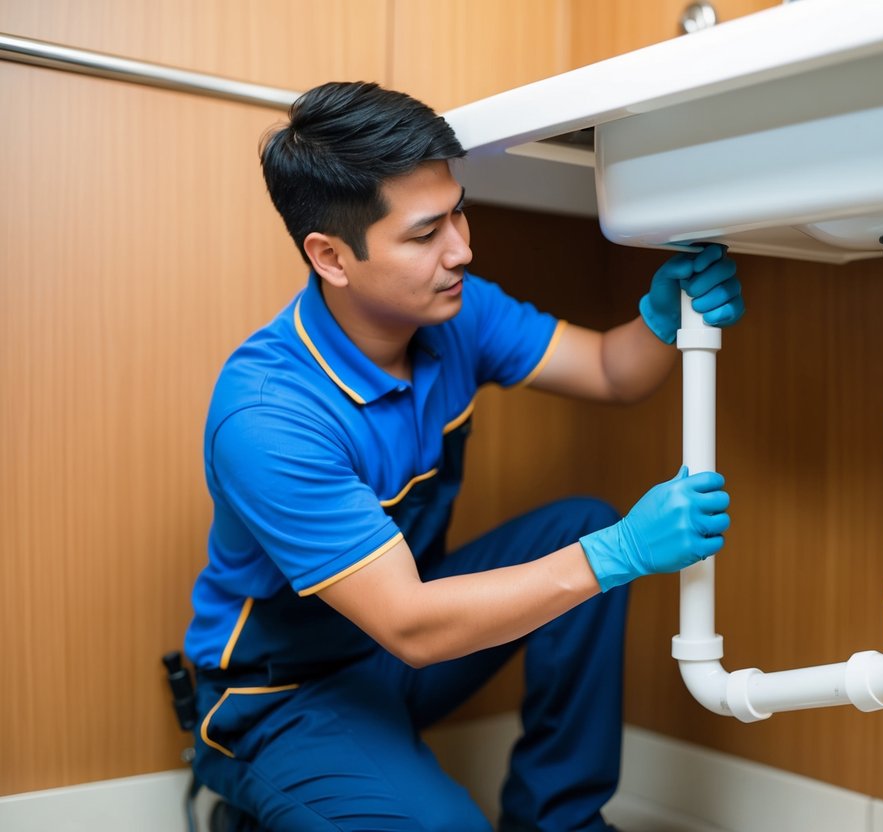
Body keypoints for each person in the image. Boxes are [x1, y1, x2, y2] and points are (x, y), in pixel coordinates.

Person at [183, 80, 744, 832]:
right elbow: (412, 624)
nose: (463, 249)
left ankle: (560, 820)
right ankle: (258, 807)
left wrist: (664, 316)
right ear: (331, 256)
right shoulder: (269, 416)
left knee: (577, 524)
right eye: (425, 235)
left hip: (394, 650)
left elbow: (613, 372)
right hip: (281, 696)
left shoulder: (455, 311)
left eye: (458, 212)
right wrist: (621, 554)